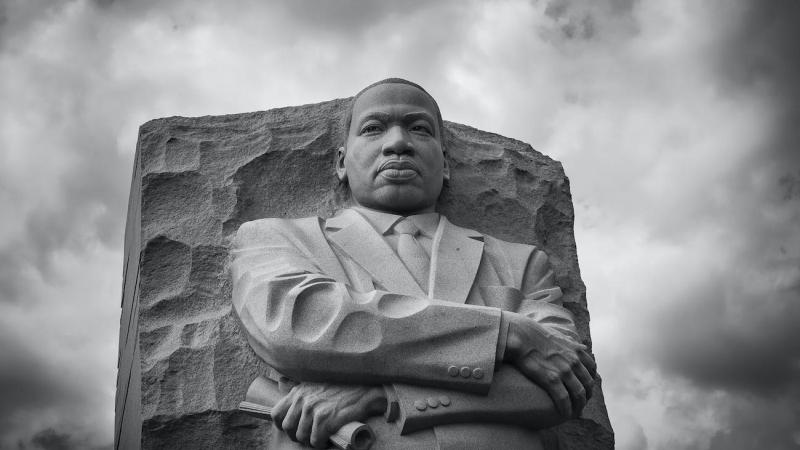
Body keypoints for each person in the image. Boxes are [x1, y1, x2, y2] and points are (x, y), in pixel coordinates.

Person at [230, 78, 596, 449]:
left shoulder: (521, 262)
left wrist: (384, 396)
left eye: (419, 129)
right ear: (341, 162)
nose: (398, 143)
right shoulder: (280, 239)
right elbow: (297, 325)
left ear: (446, 163)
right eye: (373, 129)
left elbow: (563, 386)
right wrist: (507, 334)